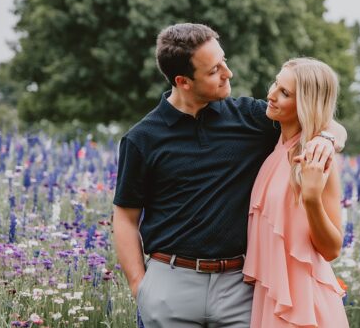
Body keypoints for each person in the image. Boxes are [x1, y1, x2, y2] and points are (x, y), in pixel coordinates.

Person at [113, 24, 346, 327]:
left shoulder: (252, 117)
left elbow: (316, 116)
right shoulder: (142, 139)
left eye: (223, 61)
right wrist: (140, 287)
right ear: (183, 81)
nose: (227, 73)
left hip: (240, 286)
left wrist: (328, 139)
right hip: (171, 284)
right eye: (214, 71)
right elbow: (125, 216)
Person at [243, 57, 348, 327]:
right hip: (271, 298)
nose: (271, 95)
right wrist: (329, 135)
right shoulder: (275, 147)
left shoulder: (316, 157)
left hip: (305, 304)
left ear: (305, 104)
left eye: (284, 93)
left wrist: (312, 199)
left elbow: (331, 249)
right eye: (276, 84)